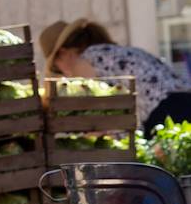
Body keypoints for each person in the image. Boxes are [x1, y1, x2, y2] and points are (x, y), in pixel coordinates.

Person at [40, 18, 191, 130]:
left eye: (56, 67)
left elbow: (97, 110)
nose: (64, 73)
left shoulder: (83, 62)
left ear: (63, 54)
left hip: (166, 112)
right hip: (183, 99)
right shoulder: (104, 51)